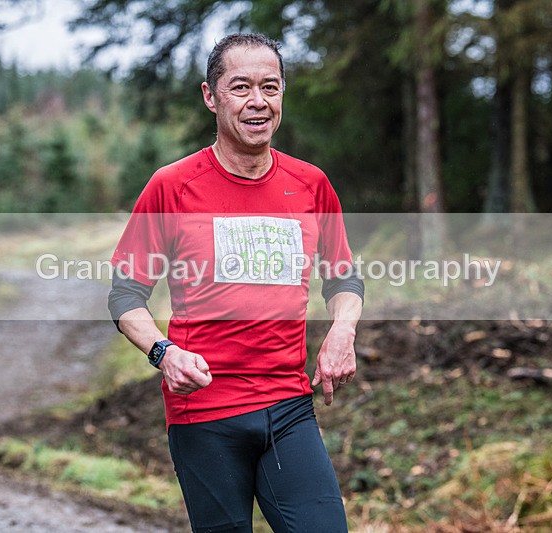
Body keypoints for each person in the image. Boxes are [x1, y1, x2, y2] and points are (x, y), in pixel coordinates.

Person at [108, 32, 364, 533]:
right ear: (211, 96)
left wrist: (342, 331)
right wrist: (164, 353)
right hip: (204, 412)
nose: (257, 102)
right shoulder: (173, 186)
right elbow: (125, 295)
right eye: (240, 87)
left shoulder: (310, 184)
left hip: (288, 404)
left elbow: (343, 277)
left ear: (282, 95)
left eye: (270, 87)